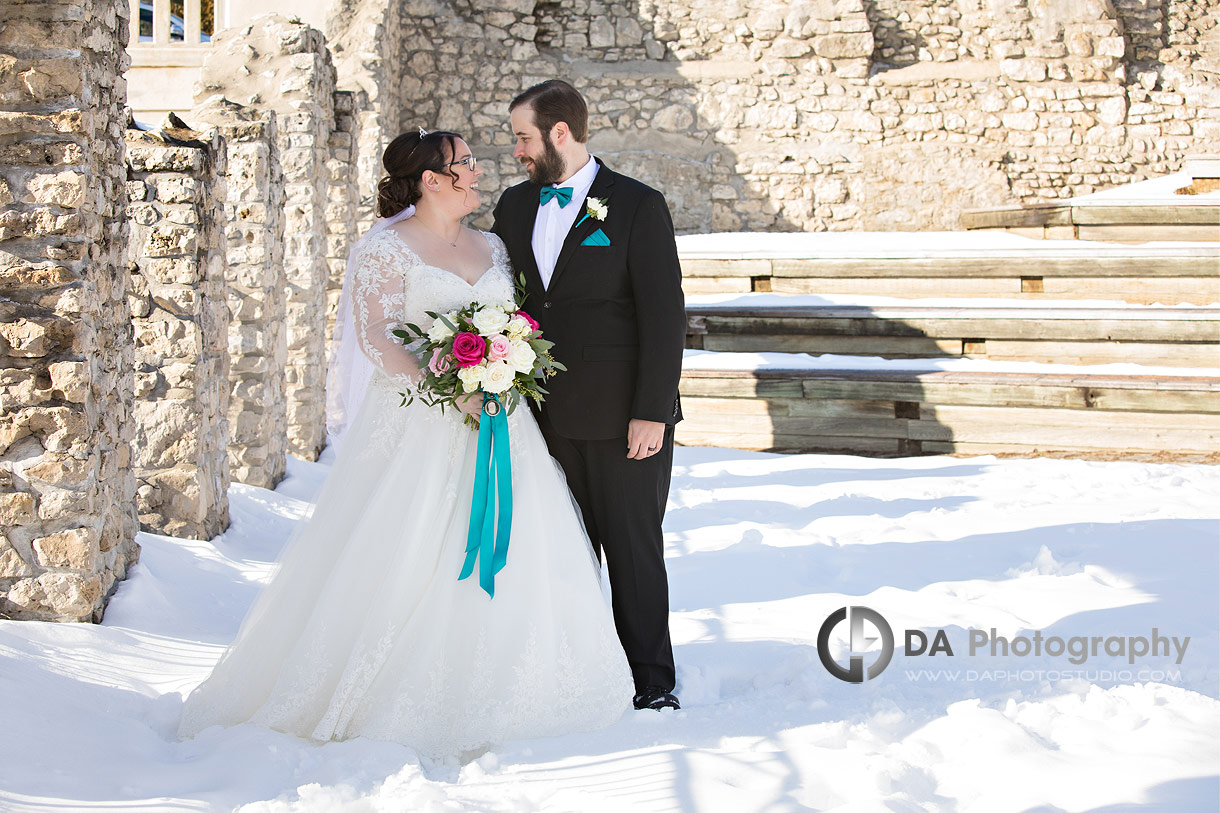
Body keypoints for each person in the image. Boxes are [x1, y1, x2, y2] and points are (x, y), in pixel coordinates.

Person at [178, 129, 633, 759]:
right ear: (431, 179)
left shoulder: (495, 247)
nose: (477, 171)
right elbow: (376, 337)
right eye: (465, 164)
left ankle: (507, 687)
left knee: (520, 538)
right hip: (420, 420)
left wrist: (506, 366)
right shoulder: (384, 249)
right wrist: (449, 385)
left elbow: (519, 322)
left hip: (503, 422)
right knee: (410, 544)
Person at [491, 80, 686, 711]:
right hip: (542, 416)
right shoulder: (514, 208)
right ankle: (576, 673)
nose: (516, 150)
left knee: (632, 550)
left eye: (523, 137)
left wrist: (651, 412)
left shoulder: (636, 205)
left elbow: (664, 316)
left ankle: (652, 679)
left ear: (560, 134)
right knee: (562, 552)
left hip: (625, 418)